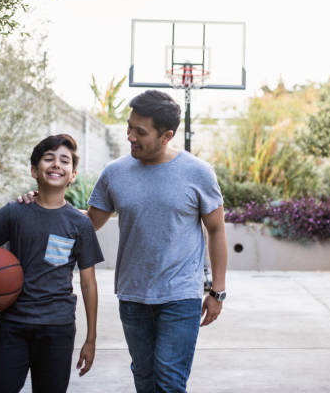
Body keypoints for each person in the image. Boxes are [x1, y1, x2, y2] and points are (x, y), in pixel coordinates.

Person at [22, 90, 228, 392]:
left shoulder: (198, 173)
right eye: (129, 127)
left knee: (169, 381)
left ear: (166, 135)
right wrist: (43, 203)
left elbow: (216, 230)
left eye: (140, 131)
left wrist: (218, 291)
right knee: (144, 377)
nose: (130, 136)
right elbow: (88, 222)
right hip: (133, 297)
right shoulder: (115, 173)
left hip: (180, 295)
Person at [0, 134, 104, 393]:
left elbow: (88, 282)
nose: (56, 165)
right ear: (33, 170)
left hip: (57, 328)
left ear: (72, 174)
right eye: (48, 158)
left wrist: (91, 338)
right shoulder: (15, 212)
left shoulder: (79, 224)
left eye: (64, 161)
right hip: (13, 325)